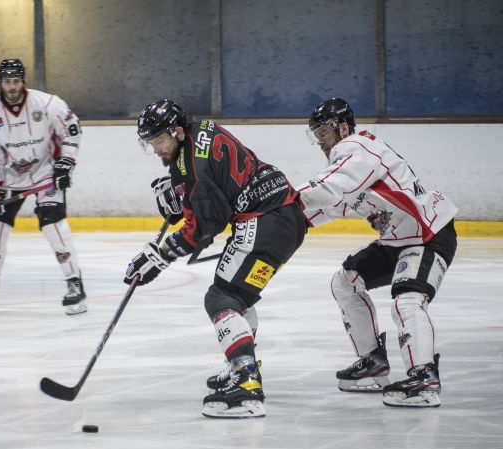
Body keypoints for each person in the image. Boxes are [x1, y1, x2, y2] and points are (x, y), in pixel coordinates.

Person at [124, 99, 307, 418]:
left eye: (159, 141)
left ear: (177, 131)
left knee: (221, 298)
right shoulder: (202, 129)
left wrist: (161, 254)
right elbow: (213, 181)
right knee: (239, 296)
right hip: (285, 220)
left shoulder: (191, 167)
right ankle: (240, 365)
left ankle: (247, 382)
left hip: (263, 223)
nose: (155, 149)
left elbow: (206, 226)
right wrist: (184, 195)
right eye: (149, 143)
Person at [298, 98, 458, 408]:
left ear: (343, 127)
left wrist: (278, 199)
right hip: (399, 239)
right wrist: (280, 222)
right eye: (315, 134)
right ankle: (373, 361)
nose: (319, 141)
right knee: (345, 282)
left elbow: (329, 189)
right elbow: (334, 205)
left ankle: (424, 377)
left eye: (323, 133)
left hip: (428, 234)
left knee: (408, 301)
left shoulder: (356, 148)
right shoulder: (348, 163)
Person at [0, 58, 86, 315]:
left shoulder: (48, 104)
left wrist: (65, 164)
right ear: (0, 83)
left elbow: (72, 130)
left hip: (47, 174)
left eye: (15, 81)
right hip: (11, 179)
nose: (11, 87)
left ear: (23, 81)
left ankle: (74, 283)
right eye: (6, 82)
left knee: (53, 225)